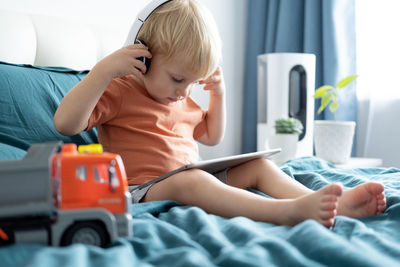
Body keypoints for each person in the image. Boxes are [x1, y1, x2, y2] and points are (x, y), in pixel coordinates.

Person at [54, 0, 386, 228]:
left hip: (192, 177)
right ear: (144, 59)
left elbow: (212, 137)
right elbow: (65, 123)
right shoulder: (121, 89)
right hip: (144, 188)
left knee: (258, 165)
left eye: (194, 82)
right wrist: (102, 71)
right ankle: (286, 212)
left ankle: (327, 203)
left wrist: (218, 94)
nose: (185, 91)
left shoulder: (179, 96)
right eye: (179, 79)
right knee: (192, 180)